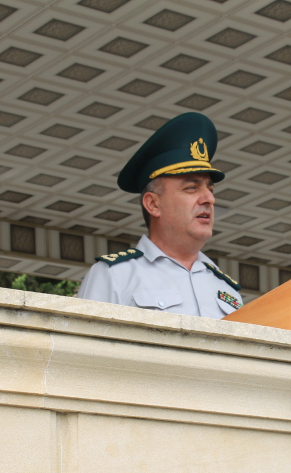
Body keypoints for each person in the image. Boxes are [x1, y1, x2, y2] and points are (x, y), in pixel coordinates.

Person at [76, 112, 242, 318]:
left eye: (210, 189)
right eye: (191, 188)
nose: (209, 198)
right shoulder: (114, 275)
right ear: (153, 204)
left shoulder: (227, 289)